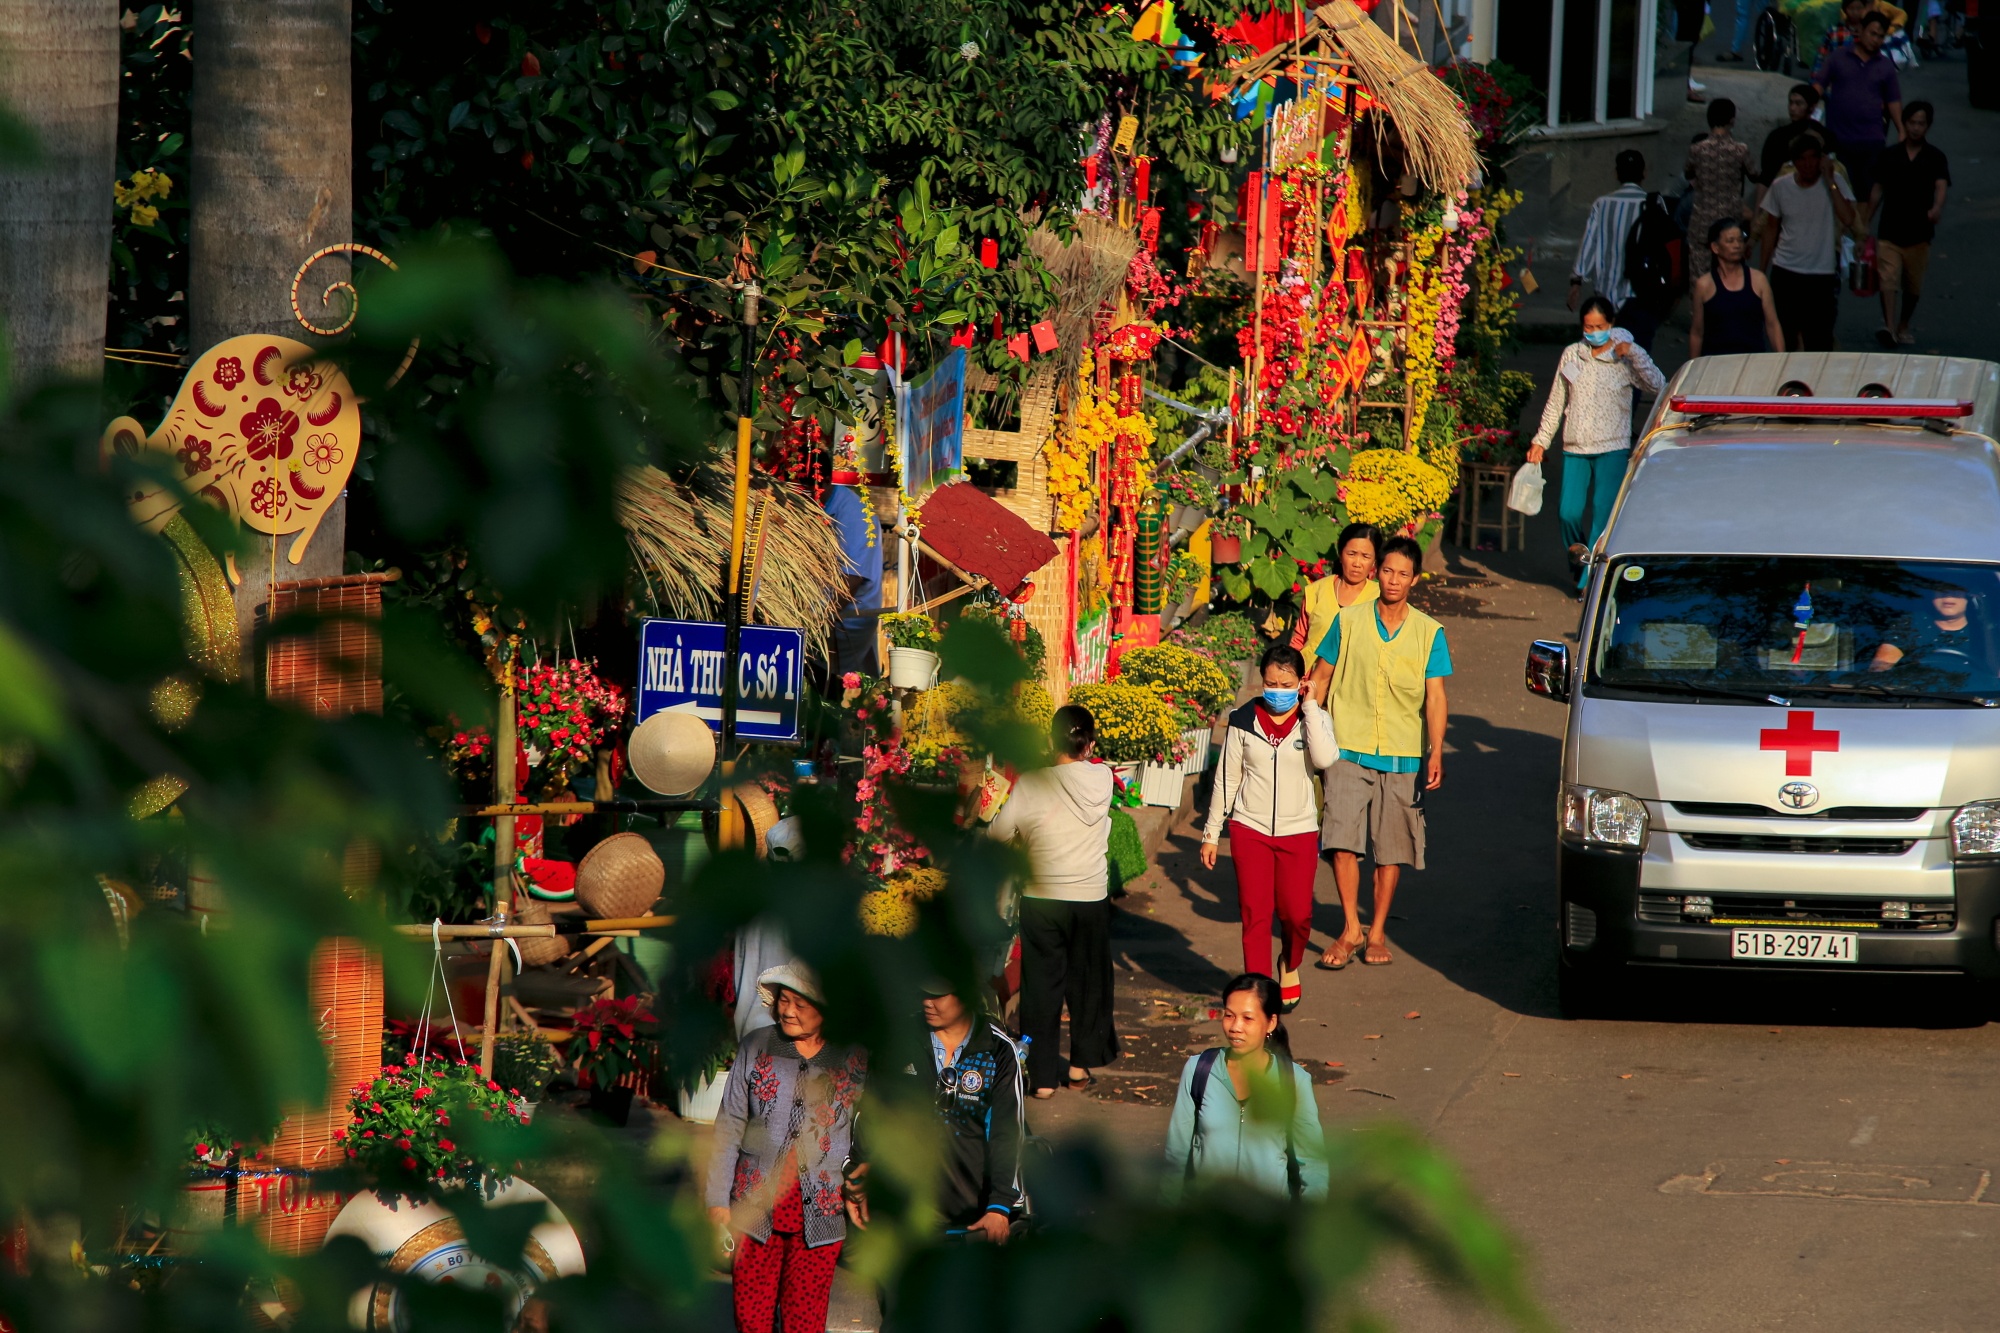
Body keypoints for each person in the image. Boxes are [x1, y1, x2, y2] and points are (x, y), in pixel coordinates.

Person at [1307, 537, 1450, 970]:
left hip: (1403, 752)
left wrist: (1436, 752)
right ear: (1377, 572)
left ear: (1414, 580)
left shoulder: (1429, 632)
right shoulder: (1347, 621)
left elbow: (1436, 697)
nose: (1392, 579)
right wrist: (1307, 727)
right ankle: (1351, 926)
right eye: (1386, 570)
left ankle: (1378, 929)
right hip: (1348, 746)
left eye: (1402, 573)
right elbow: (1321, 677)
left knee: (1391, 849)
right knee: (1341, 840)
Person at [706, 964, 868, 1333]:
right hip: (754, 1205)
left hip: (821, 1209)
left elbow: (870, 1125)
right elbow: (730, 1122)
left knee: (805, 1321)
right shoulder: (758, 1044)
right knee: (752, 1318)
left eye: (799, 1003)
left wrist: (861, 1179)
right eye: (783, 1000)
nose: (787, 1011)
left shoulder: (853, 1056)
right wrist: (716, 1200)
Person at [986, 705, 1118, 1099]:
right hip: (1090, 896)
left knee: (1042, 986)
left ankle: (1042, 1079)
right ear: (1090, 744)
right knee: (1088, 981)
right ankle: (1079, 1066)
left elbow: (999, 834)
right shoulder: (1104, 778)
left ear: (1049, 741)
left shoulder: (1032, 783)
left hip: (1041, 898)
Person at [1200, 645, 1336, 1011]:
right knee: (1255, 914)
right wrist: (1212, 832)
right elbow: (1227, 778)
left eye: (1285, 683)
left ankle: (1290, 964)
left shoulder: (1315, 718)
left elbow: (1325, 759)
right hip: (1250, 829)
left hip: (1299, 832)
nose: (1277, 690)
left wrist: (1309, 707)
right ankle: (1257, 995)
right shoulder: (1243, 719)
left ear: (1301, 682)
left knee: (1297, 913)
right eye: (1270, 683)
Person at [854, 984, 1026, 1243]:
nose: (927, 1002)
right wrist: (861, 1164)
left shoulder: (997, 1050)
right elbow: (875, 1109)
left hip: (972, 1219)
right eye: (923, 993)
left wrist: (999, 1206)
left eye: (937, 995)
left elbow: (1007, 1133)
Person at [1527, 297, 1666, 582]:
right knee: (1568, 512)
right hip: (1576, 447)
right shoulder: (1572, 355)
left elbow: (1659, 385)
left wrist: (1635, 353)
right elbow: (1557, 400)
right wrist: (1540, 440)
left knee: (1603, 515)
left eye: (1599, 326)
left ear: (1611, 324)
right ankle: (1579, 560)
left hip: (1612, 447)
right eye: (1588, 327)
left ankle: (1589, 581)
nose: (1593, 332)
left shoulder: (1624, 357)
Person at [1162, 974, 1327, 1200]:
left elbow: (1312, 1162)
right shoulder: (1198, 1070)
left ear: (1271, 1022)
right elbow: (1176, 1153)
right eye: (1229, 1016)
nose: (1235, 1027)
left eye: (1248, 1019)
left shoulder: (1294, 1081)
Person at [1758, 136, 1858, 351]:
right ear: (1794, 162)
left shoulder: (1834, 182)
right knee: (1786, 336)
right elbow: (1771, 227)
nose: (1808, 164)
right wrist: (1761, 271)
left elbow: (1848, 218)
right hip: (1786, 270)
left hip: (1821, 274)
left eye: (1813, 158)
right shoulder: (1780, 187)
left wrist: (1830, 181)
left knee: (1819, 338)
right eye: (1802, 159)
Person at [1869, 99, 1949, 347]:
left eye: (1921, 124)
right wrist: (1863, 224)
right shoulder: (1890, 156)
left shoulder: (1935, 157)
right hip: (1890, 230)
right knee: (1888, 279)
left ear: (1928, 126)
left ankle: (1903, 323)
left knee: (1913, 286)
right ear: (1904, 124)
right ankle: (1890, 327)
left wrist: (1936, 208)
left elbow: (1941, 185)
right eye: (1912, 123)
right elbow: (1877, 190)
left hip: (1919, 233)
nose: (1916, 128)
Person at [1815, 11, 1904, 213]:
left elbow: (1893, 100)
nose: (1876, 40)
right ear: (1860, 30)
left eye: (1880, 36)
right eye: (1872, 34)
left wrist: (1901, 129)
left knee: (1869, 191)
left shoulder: (1885, 66)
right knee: (1843, 190)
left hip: (1872, 139)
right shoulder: (1838, 58)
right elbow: (1820, 84)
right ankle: (1847, 235)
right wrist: (1807, 102)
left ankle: (1861, 234)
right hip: (1840, 139)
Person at [1568, 151, 1658, 345]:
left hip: (1606, 294)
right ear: (1644, 172)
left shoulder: (1602, 204)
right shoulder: (1654, 204)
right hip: (1640, 296)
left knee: (1605, 357)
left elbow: (1589, 243)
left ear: (1616, 174)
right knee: (1638, 358)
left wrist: (1577, 281)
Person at [1295, 522, 1380, 701]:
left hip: (1356, 693)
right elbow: (1299, 639)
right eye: (1351, 554)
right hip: (1309, 687)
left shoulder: (1380, 598)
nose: (1357, 563)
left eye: (1365, 556)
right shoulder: (1316, 591)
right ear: (1341, 555)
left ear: (1374, 561)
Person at [1689, 218, 1786, 356]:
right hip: (1716, 363)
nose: (1737, 245)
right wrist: (1694, 370)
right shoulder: (1704, 285)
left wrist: (1781, 359)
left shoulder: (1758, 280)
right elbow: (1697, 333)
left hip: (1751, 361)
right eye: (1730, 241)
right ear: (1715, 247)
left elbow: (1772, 324)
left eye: (1740, 240)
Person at [821, 464, 883, 680]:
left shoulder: (855, 514)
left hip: (844, 619)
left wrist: (819, 621)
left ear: (824, 481)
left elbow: (853, 578)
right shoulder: (820, 504)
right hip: (828, 616)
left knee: (832, 685)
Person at [1683, 99, 1755, 280]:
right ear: (1732, 120)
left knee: (1700, 276)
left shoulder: (1697, 149)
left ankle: (1699, 307)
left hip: (1702, 221)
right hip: (1729, 220)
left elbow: (1688, 172)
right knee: (1729, 273)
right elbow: (1755, 174)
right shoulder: (1740, 150)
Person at [1870, 583, 1990, 674]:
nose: (1948, 595)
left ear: (1969, 597)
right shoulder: (1911, 624)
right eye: (1942, 590)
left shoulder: (1986, 631)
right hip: (1915, 696)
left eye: (1956, 591)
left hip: (1975, 698)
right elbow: (1882, 665)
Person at [1757, 85, 1824, 207]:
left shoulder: (1822, 136)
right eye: (1791, 103)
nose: (1792, 108)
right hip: (1782, 201)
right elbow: (1766, 177)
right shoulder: (1777, 137)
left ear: (1812, 107)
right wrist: (1757, 214)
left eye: (1799, 104)